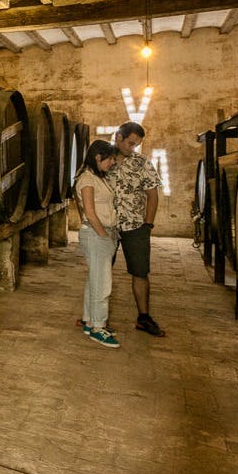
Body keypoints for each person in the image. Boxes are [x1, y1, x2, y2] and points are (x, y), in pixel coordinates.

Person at [107, 121, 165, 337]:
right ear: (118, 136)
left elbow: (152, 195)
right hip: (107, 226)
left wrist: (147, 225)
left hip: (135, 226)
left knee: (140, 272)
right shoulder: (103, 158)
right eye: (130, 143)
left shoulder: (142, 163)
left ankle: (144, 318)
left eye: (137, 145)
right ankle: (95, 316)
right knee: (101, 271)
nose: (133, 148)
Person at [75, 140, 120, 348]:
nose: (113, 162)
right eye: (110, 158)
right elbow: (90, 212)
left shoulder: (96, 177)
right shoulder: (87, 179)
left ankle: (89, 321)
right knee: (102, 283)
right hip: (95, 235)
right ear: (97, 157)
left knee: (94, 279)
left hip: (100, 234)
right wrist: (104, 235)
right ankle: (98, 328)